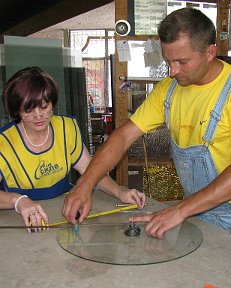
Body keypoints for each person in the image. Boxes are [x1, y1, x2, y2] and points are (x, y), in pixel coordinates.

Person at [62, 8, 231, 244]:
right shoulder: (168, 90)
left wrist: (180, 210)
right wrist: (85, 184)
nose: (172, 71)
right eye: (168, 61)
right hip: (193, 209)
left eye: (182, 61)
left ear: (210, 52)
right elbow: (122, 137)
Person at [0, 66, 145, 232]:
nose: (38, 115)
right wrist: (18, 201)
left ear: (52, 103)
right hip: (18, 222)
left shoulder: (66, 129)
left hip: (64, 215)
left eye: (44, 106)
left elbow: (90, 170)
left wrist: (120, 192)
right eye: (29, 109)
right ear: (17, 109)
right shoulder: (3, 142)